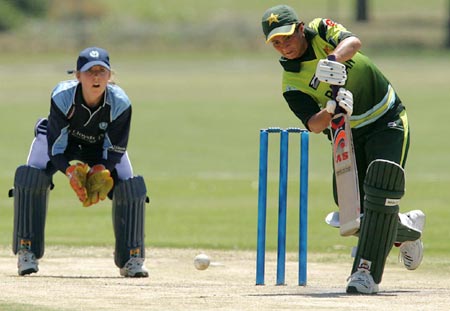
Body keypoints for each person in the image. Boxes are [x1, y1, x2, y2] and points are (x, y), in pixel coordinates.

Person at [261, 5, 426, 294]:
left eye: (287, 37)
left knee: (380, 187)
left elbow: (354, 42)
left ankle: (365, 275)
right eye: (276, 42)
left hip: (386, 118)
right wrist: (332, 108)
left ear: (300, 28)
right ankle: (406, 229)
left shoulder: (321, 29)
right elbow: (313, 124)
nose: (284, 46)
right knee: (351, 213)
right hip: (346, 135)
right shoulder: (291, 82)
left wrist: (334, 58)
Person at [11, 47, 149, 278]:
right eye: (89, 71)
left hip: (100, 146)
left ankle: (132, 258)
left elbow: (116, 148)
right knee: (30, 177)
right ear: (77, 76)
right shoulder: (62, 96)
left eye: (101, 71)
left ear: (109, 75)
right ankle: (27, 251)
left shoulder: (120, 103)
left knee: (130, 187)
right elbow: (55, 147)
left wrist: (100, 169)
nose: (96, 77)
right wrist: (70, 171)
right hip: (62, 143)